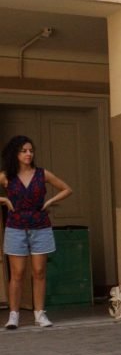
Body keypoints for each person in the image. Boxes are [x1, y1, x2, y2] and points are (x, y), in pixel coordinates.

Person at [0, 135, 73, 329]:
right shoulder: (7, 176)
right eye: (24, 150)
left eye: (31, 150)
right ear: (15, 153)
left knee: (39, 272)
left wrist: (49, 201)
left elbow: (66, 189)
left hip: (40, 227)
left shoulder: (42, 174)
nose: (28, 154)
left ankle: (40, 314)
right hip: (15, 228)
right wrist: (5, 201)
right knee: (17, 273)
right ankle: (13, 315)